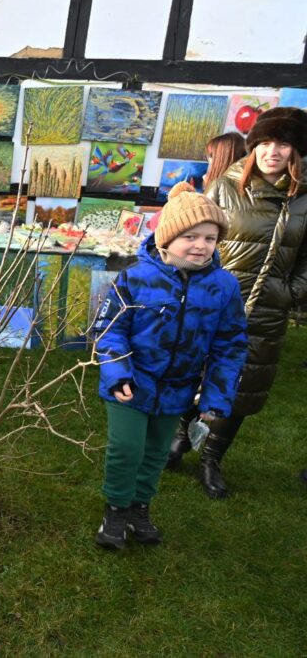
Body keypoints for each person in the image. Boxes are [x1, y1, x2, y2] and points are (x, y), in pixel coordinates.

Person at [92, 182, 246, 549]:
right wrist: (117, 373)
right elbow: (108, 330)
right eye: (190, 236)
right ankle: (115, 510)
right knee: (126, 449)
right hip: (131, 385)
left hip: (178, 389)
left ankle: (138, 508)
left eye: (210, 237)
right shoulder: (135, 277)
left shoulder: (224, 287)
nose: (200, 245)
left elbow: (230, 344)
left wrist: (216, 395)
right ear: (166, 237)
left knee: (156, 454)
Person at [166, 107, 307, 497]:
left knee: (241, 388)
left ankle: (211, 459)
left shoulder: (304, 199)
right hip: (213, 304)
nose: (272, 152)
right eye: (264, 142)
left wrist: (288, 293)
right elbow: (196, 241)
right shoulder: (225, 187)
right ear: (254, 146)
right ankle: (179, 439)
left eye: (283, 143)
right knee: (192, 373)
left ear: (296, 151)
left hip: (266, 311)